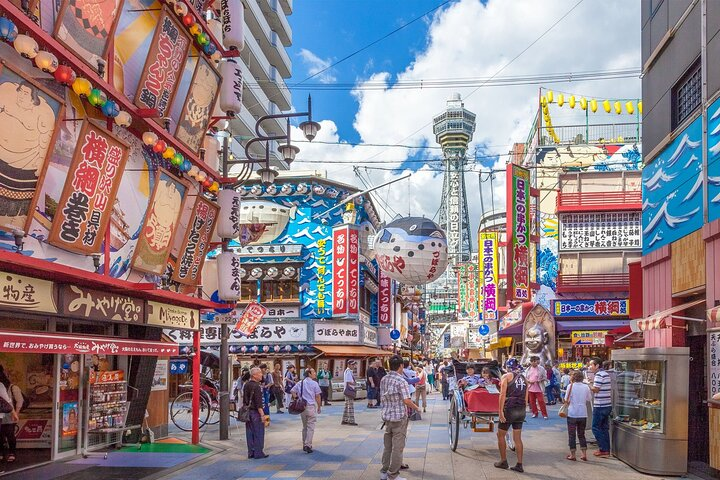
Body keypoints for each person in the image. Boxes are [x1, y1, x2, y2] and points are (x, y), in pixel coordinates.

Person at [379, 355, 420, 480]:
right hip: (399, 417)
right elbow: (406, 400)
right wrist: (416, 408)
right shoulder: (401, 381)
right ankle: (393, 475)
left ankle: (384, 471)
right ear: (401, 366)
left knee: (388, 446)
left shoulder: (384, 379)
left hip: (387, 417)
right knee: (398, 447)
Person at [495, 358, 528, 473]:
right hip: (521, 409)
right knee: (517, 438)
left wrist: (500, 411)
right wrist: (525, 409)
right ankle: (519, 464)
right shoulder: (524, 379)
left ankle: (503, 461)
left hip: (509, 408)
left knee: (500, 435)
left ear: (507, 366)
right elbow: (526, 398)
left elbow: (502, 394)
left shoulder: (506, 377)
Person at [290, 367, 322, 453]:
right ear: (309, 374)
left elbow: (292, 391)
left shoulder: (300, 382)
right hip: (311, 406)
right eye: (313, 372)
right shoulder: (314, 383)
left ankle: (304, 444)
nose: (315, 373)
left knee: (305, 426)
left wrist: (296, 397)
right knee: (311, 426)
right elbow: (318, 396)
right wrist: (319, 406)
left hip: (302, 407)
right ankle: (308, 445)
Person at [564, 370, 592, 461]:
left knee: (572, 435)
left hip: (572, 413)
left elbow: (566, 400)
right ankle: (584, 454)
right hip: (583, 414)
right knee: (581, 434)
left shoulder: (570, 386)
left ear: (573, 377)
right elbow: (589, 399)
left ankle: (573, 455)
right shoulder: (586, 387)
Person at [243, 367, 269, 459]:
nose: (261, 375)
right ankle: (258, 452)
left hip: (248, 411)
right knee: (259, 432)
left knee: (249, 432)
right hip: (256, 412)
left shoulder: (246, 385)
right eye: (259, 373)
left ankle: (251, 452)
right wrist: (263, 415)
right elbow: (259, 403)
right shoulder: (257, 386)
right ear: (254, 375)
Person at [589, 358, 612, 457]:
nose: (590, 367)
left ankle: (603, 449)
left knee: (595, 427)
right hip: (607, 404)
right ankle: (606, 449)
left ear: (597, 365)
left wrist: (588, 383)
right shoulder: (605, 374)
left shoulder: (599, 375)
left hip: (600, 405)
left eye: (591, 365)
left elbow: (595, 389)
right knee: (604, 428)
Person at [0, 366, 20, 463]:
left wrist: (14, 412)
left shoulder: (4, 386)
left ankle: (10, 453)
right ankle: (3, 453)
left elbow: (8, 401)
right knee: (2, 435)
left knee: (9, 434)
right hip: (4, 415)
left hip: (6, 415)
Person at [342, 360, 358, 426]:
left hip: (347, 390)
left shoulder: (347, 371)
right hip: (349, 390)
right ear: (348, 365)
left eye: (354, 365)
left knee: (347, 406)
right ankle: (351, 420)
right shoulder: (348, 372)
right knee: (350, 406)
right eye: (352, 364)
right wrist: (354, 383)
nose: (353, 366)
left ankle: (344, 419)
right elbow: (348, 381)